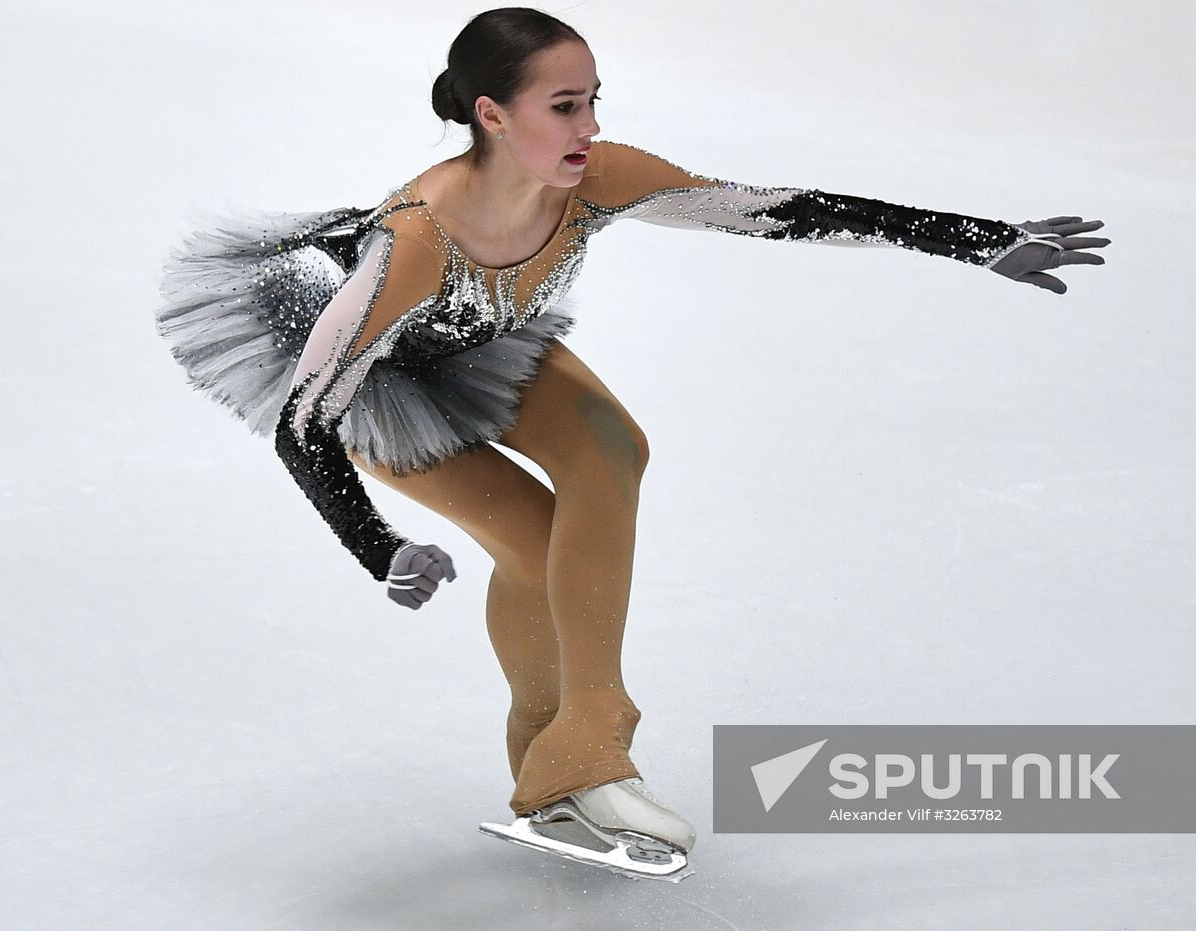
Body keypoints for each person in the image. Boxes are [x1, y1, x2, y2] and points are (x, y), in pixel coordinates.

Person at [154, 7, 1109, 880]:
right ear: (492, 115)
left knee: (614, 447)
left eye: (594, 101)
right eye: (565, 106)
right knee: (532, 543)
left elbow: (776, 209)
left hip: (491, 341)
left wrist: (973, 237)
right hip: (385, 387)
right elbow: (304, 420)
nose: (591, 127)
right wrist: (379, 547)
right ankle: (571, 760)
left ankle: (572, 758)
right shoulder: (413, 240)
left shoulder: (598, 182)